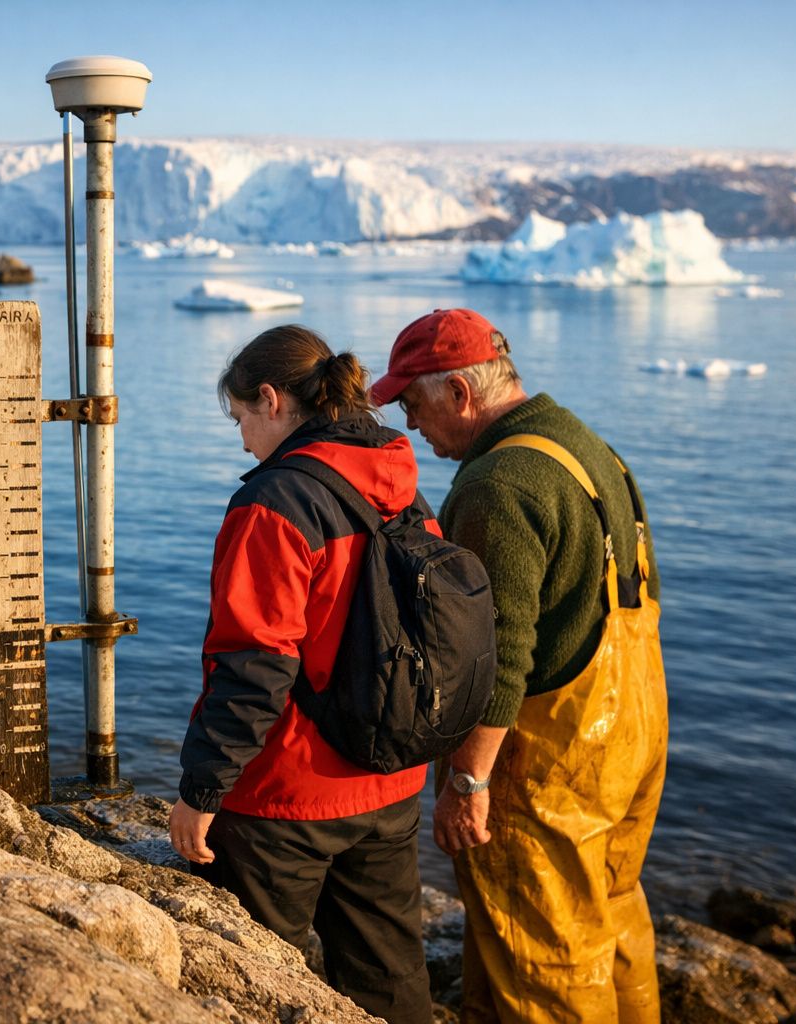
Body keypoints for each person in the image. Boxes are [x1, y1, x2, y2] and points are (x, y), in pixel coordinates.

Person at [370, 308, 667, 1024]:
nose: (412, 425)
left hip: (547, 768)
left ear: (460, 396)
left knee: (544, 966)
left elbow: (499, 656)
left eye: (413, 403)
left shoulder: (497, 485)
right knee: (613, 922)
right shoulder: (586, 447)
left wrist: (469, 782)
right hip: (630, 740)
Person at [170, 324, 435, 1024]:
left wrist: (202, 788)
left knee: (255, 983)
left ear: (271, 399)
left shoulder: (275, 503)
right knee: (391, 978)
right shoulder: (403, 485)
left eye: (241, 419)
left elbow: (254, 666)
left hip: (285, 800)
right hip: (390, 780)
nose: (243, 439)